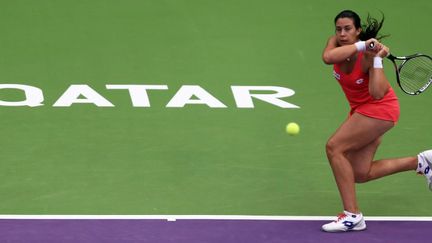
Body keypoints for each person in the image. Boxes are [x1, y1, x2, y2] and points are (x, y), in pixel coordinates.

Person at [321, 9, 432, 232]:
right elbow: (327, 58)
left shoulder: (369, 58)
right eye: (339, 29)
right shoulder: (337, 43)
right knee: (360, 173)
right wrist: (363, 45)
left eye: (348, 29)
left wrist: (377, 61)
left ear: (358, 30)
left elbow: (378, 93)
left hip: (379, 110)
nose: (342, 33)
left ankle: (352, 216)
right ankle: (422, 162)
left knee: (334, 148)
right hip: (360, 112)